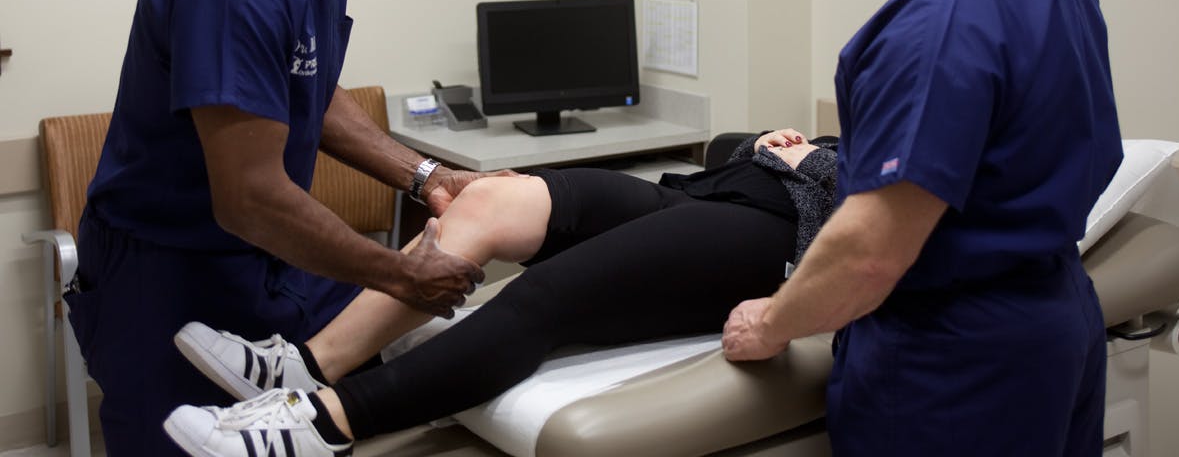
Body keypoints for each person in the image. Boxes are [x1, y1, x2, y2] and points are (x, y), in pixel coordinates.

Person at [69, 0, 499, 456]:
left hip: (263, 263)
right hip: (169, 276)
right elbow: (249, 198)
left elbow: (310, 90)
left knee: (293, 436)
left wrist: (424, 176)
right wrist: (397, 272)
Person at [721, 0, 1123, 456]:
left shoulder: (943, 17)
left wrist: (771, 321)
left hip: (955, 366)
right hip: (1057, 328)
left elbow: (870, 254)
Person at [160, 129, 840, 456]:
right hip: (711, 188)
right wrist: (767, 143)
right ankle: (306, 364)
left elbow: (884, 205)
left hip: (773, 236)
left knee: (550, 291)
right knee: (487, 198)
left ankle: (319, 426)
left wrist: (811, 161)